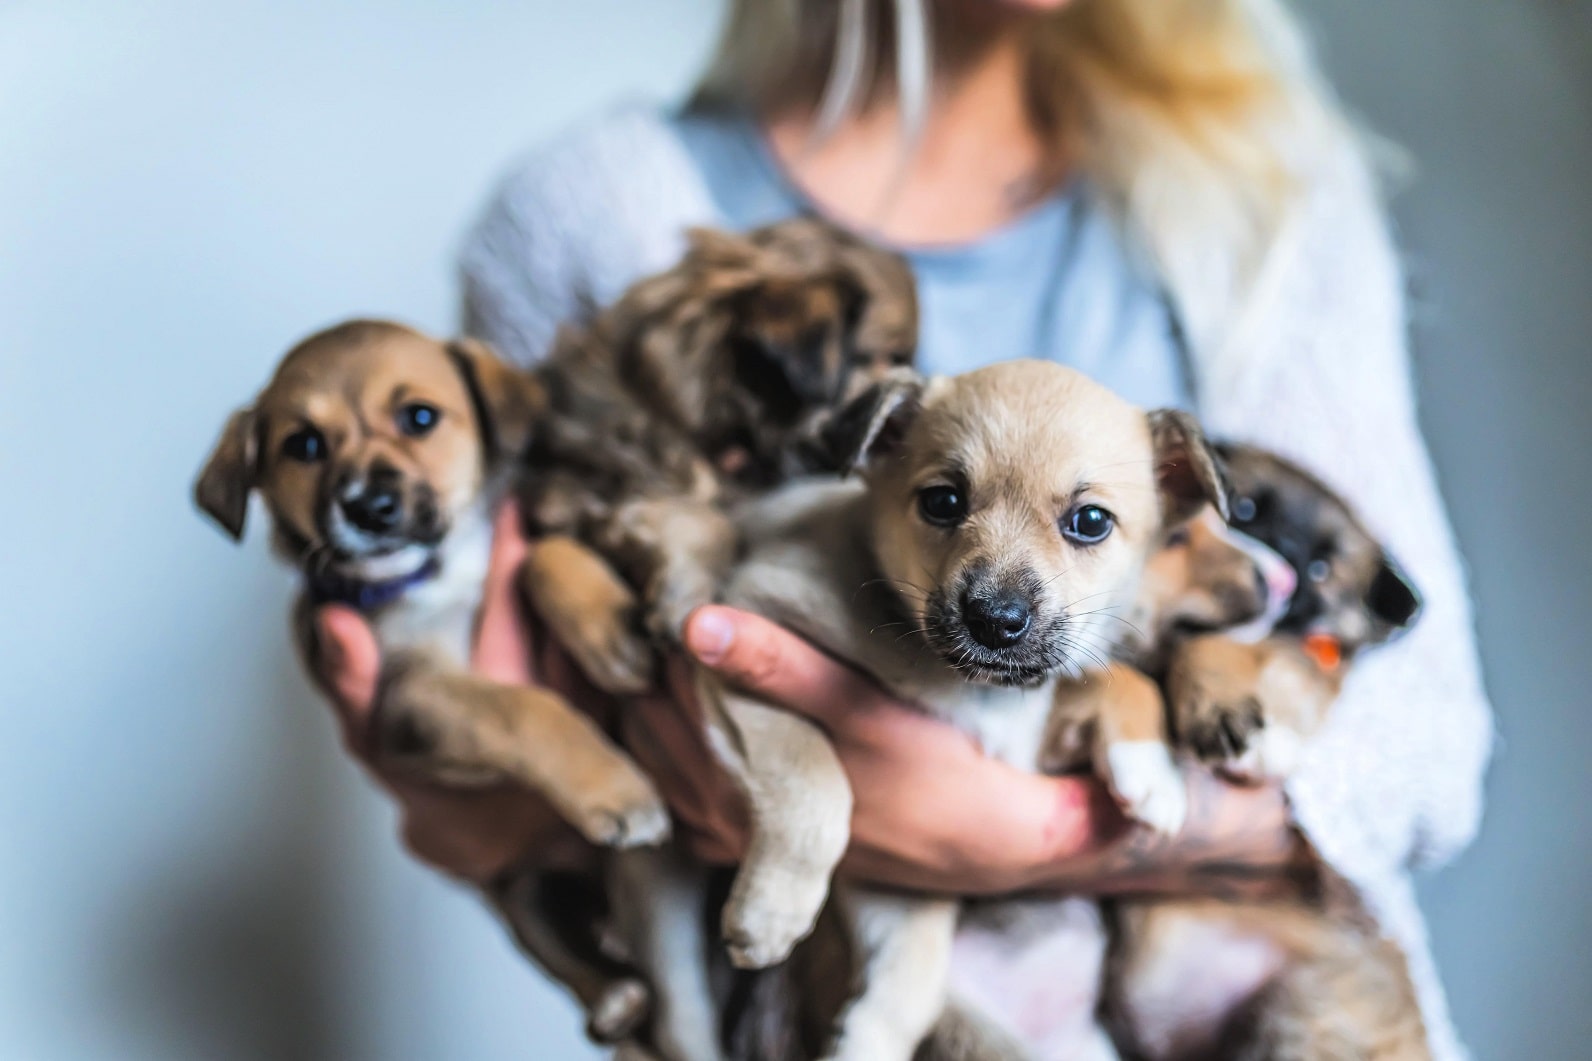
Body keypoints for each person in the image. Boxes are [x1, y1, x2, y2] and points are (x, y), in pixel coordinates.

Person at [316, 0, 1492, 1055]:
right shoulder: (587, 210)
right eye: (941, 499)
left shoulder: (1259, 188)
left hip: (1258, 993)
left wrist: (1034, 832)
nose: (999, 576)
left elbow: (1430, 737)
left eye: (1084, 520)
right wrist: (498, 797)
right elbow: (519, 733)